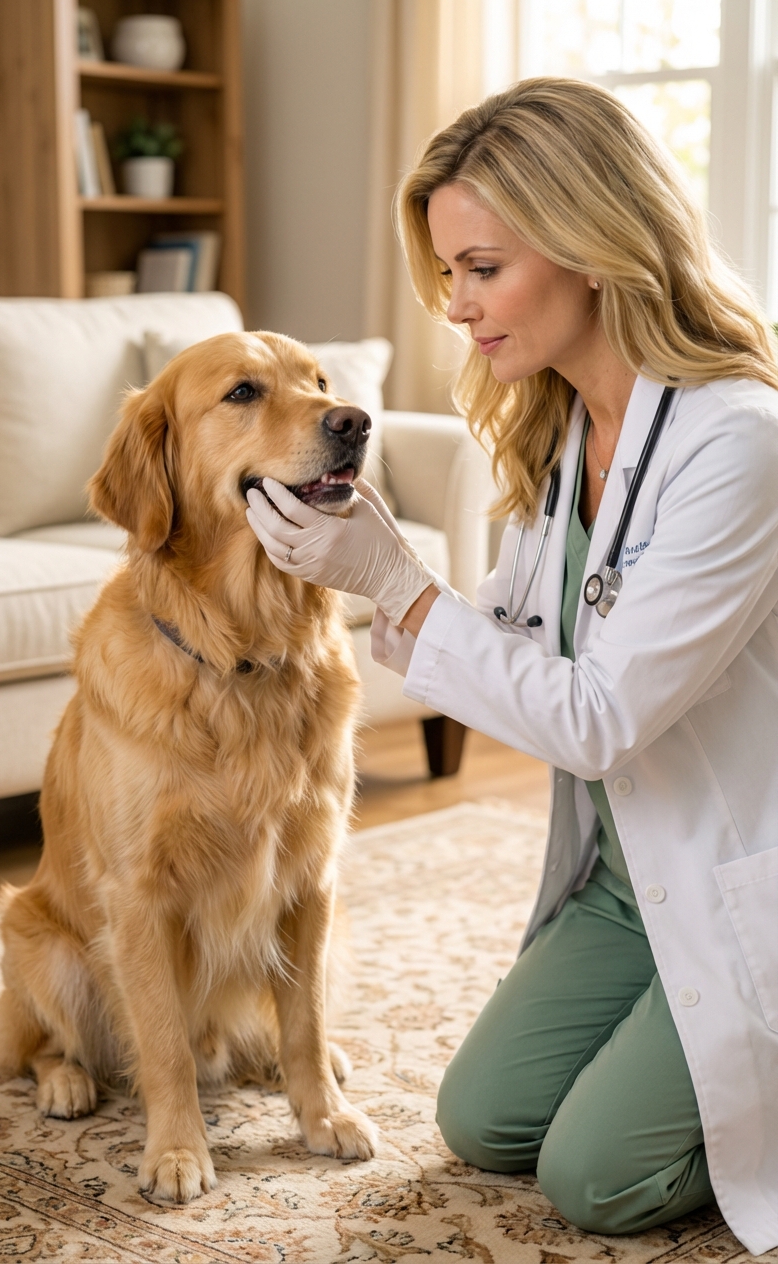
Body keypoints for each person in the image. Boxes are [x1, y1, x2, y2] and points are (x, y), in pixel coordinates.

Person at [245, 78, 778, 1256]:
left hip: (742, 874)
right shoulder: (556, 430)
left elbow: (595, 720)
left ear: (592, 240)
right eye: (447, 273)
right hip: (625, 881)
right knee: (482, 1118)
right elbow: (518, 638)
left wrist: (398, 583)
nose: (456, 305)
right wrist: (376, 571)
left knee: (597, 1177)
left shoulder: (734, 440)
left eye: (481, 268)